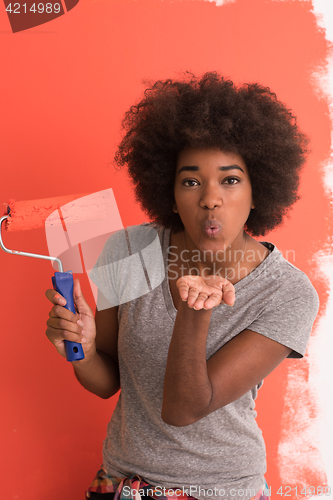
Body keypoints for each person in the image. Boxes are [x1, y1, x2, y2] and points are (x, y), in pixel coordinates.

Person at [45, 73, 319, 500]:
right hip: (121, 485)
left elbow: (183, 408)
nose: (211, 198)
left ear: (256, 191)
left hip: (222, 490)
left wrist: (194, 312)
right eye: (191, 181)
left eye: (230, 180)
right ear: (170, 194)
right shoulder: (128, 250)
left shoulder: (287, 292)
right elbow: (109, 381)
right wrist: (81, 351)